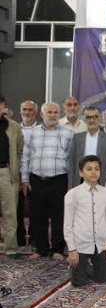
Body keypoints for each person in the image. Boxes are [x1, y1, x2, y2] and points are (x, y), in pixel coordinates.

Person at [20, 101, 73, 260]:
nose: (53, 115)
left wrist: (71, 183)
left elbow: (72, 159)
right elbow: (25, 157)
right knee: (38, 215)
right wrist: (25, 179)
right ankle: (40, 249)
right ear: (42, 114)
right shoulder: (33, 133)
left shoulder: (68, 133)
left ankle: (57, 249)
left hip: (59, 180)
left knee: (59, 215)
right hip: (37, 179)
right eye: (49, 112)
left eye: (55, 112)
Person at [63, 155, 106, 287]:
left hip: (99, 243)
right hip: (81, 244)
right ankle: (78, 267)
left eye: (96, 169)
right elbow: (68, 224)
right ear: (81, 172)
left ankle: (89, 267)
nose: (93, 172)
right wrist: (72, 249)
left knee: (102, 279)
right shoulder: (73, 194)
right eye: (89, 169)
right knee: (79, 283)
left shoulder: (105, 192)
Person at [68, 106, 106, 188]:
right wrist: (70, 186)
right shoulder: (77, 138)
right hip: (80, 181)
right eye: (88, 117)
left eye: (95, 117)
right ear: (84, 120)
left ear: (100, 118)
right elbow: (71, 164)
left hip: (102, 182)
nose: (92, 120)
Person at [0, 94, 24, 258]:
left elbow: (20, 149)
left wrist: (15, 166)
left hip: (6, 172)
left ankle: (10, 248)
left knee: (10, 212)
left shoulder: (13, 126)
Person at [17, 100, 38, 246]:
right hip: (16, 174)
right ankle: (19, 239)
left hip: (36, 173)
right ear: (20, 111)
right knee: (17, 207)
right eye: (24, 109)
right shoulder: (13, 128)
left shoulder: (42, 129)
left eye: (30, 109)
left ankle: (35, 238)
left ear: (35, 112)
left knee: (36, 208)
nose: (27, 112)